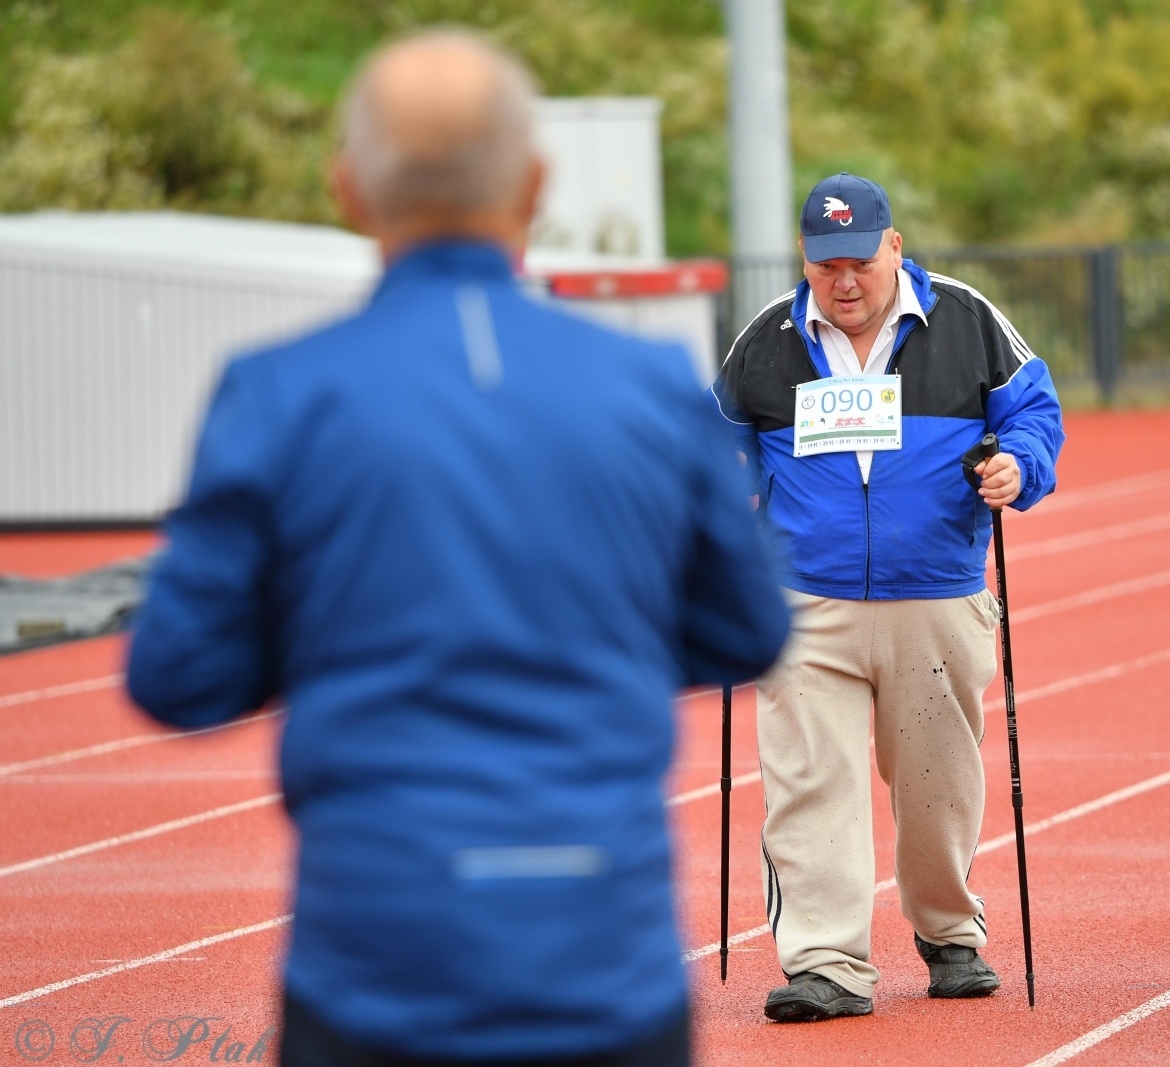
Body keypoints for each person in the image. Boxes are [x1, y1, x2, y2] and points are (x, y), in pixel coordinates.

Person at [126, 30, 791, 1067]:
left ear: (348, 190)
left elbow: (179, 674)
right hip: (603, 958)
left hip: (376, 960)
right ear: (534, 187)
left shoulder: (280, 392)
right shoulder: (653, 386)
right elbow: (748, 628)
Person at [713, 173, 1064, 1021]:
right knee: (809, 783)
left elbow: (1035, 413)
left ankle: (949, 933)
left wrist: (1020, 465)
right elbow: (716, 446)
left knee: (938, 783)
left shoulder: (969, 319)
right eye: (825, 263)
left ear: (894, 247)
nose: (844, 281)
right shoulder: (767, 340)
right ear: (804, 258)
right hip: (805, 605)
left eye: (861, 262)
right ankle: (826, 961)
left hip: (936, 595)